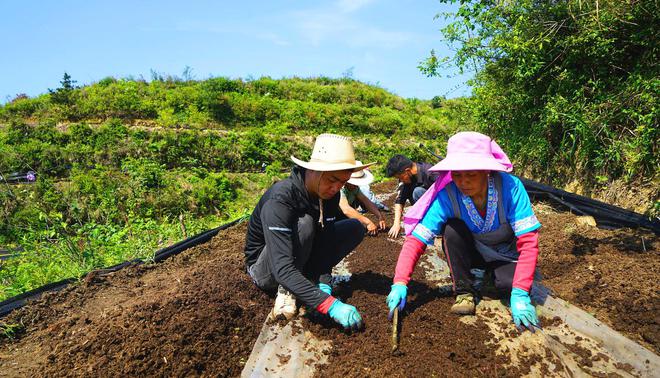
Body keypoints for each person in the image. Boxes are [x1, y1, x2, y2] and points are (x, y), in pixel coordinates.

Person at [385, 132, 541, 332]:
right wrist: (400, 282)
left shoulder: (510, 188)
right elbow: (416, 239)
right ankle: (465, 291)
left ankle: (494, 276)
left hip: (504, 253)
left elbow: (528, 241)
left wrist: (520, 294)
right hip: (472, 252)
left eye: (471, 175)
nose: (463, 182)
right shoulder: (449, 194)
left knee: (508, 286)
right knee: (451, 230)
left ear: (486, 171)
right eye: (457, 175)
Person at [244, 133, 371, 331]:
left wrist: (325, 283)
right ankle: (287, 291)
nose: (337, 188)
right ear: (313, 170)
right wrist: (330, 305)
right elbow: (282, 267)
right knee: (305, 223)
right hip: (267, 269)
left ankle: (307, 279)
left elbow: (326, 242)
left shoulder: (330, 195)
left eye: (343, 183)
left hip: (297, 258)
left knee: (354, 227)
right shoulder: (281, 199)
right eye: (333, 179)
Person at [385, 155, 439, 238]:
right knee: (413, 191)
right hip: (428, 208)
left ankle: (437, 224)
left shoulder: (431, 173)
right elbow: (400, 200)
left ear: (407, 171)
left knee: (417, 191)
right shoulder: (407, 178)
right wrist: (396, 224)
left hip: (440, 207)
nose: (401, 180)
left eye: (400, 177)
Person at [339, 162, 387, 236]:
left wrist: (379, 216)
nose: (356, 185)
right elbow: (346, 209)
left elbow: (366, 201)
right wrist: (368, 222)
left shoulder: (354, 188)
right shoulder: (340, 188)